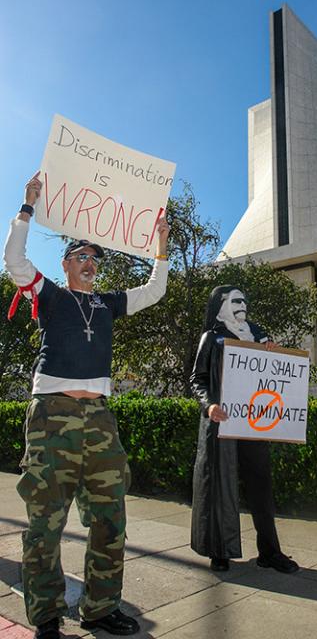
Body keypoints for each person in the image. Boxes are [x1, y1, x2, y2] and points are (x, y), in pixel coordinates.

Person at [3, 172, 170, 639]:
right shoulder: (50, 295)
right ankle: (47, 616)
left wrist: (160, 245)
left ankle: (100, 608)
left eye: (95, 256)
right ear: (66, 264)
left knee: (109, 517)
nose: (91, 261)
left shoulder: (108, 304)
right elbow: (14, 257)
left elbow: (154, 290)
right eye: (82, 255)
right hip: (52, 415)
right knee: (46, 522)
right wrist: (27, 206)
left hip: (99, 418)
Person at [190, 285, 299, 574]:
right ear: (222, 304)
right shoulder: (211, 338)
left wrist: (275, 355)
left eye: (245, 300)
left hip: (254, 422)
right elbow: (197, 378)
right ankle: (219, 550)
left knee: (261, 487)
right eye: (236, 300)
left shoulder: (259, 335)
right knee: (220, 486)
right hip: (223, 422)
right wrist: (209, 405)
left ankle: (270, 552)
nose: (243, 305)